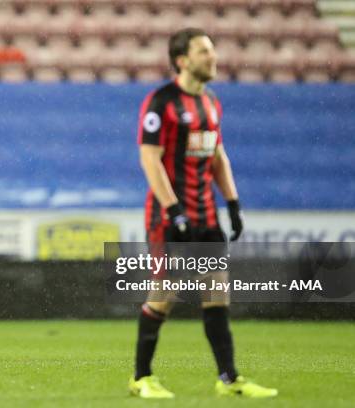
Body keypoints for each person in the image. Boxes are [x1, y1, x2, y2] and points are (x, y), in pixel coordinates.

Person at [129, 28, 277, 398]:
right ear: (183, 60)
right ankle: (141, 377)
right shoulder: (161, 102)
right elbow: (150, 159)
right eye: (204, 51)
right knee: (166, 293)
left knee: (217, 293)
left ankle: (228, 378)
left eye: (212, 50)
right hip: (169, 216)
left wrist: (233, 203)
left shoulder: (211, 102)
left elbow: (216, 156)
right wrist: (174, 209)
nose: (213, 57)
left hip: (207, 215)